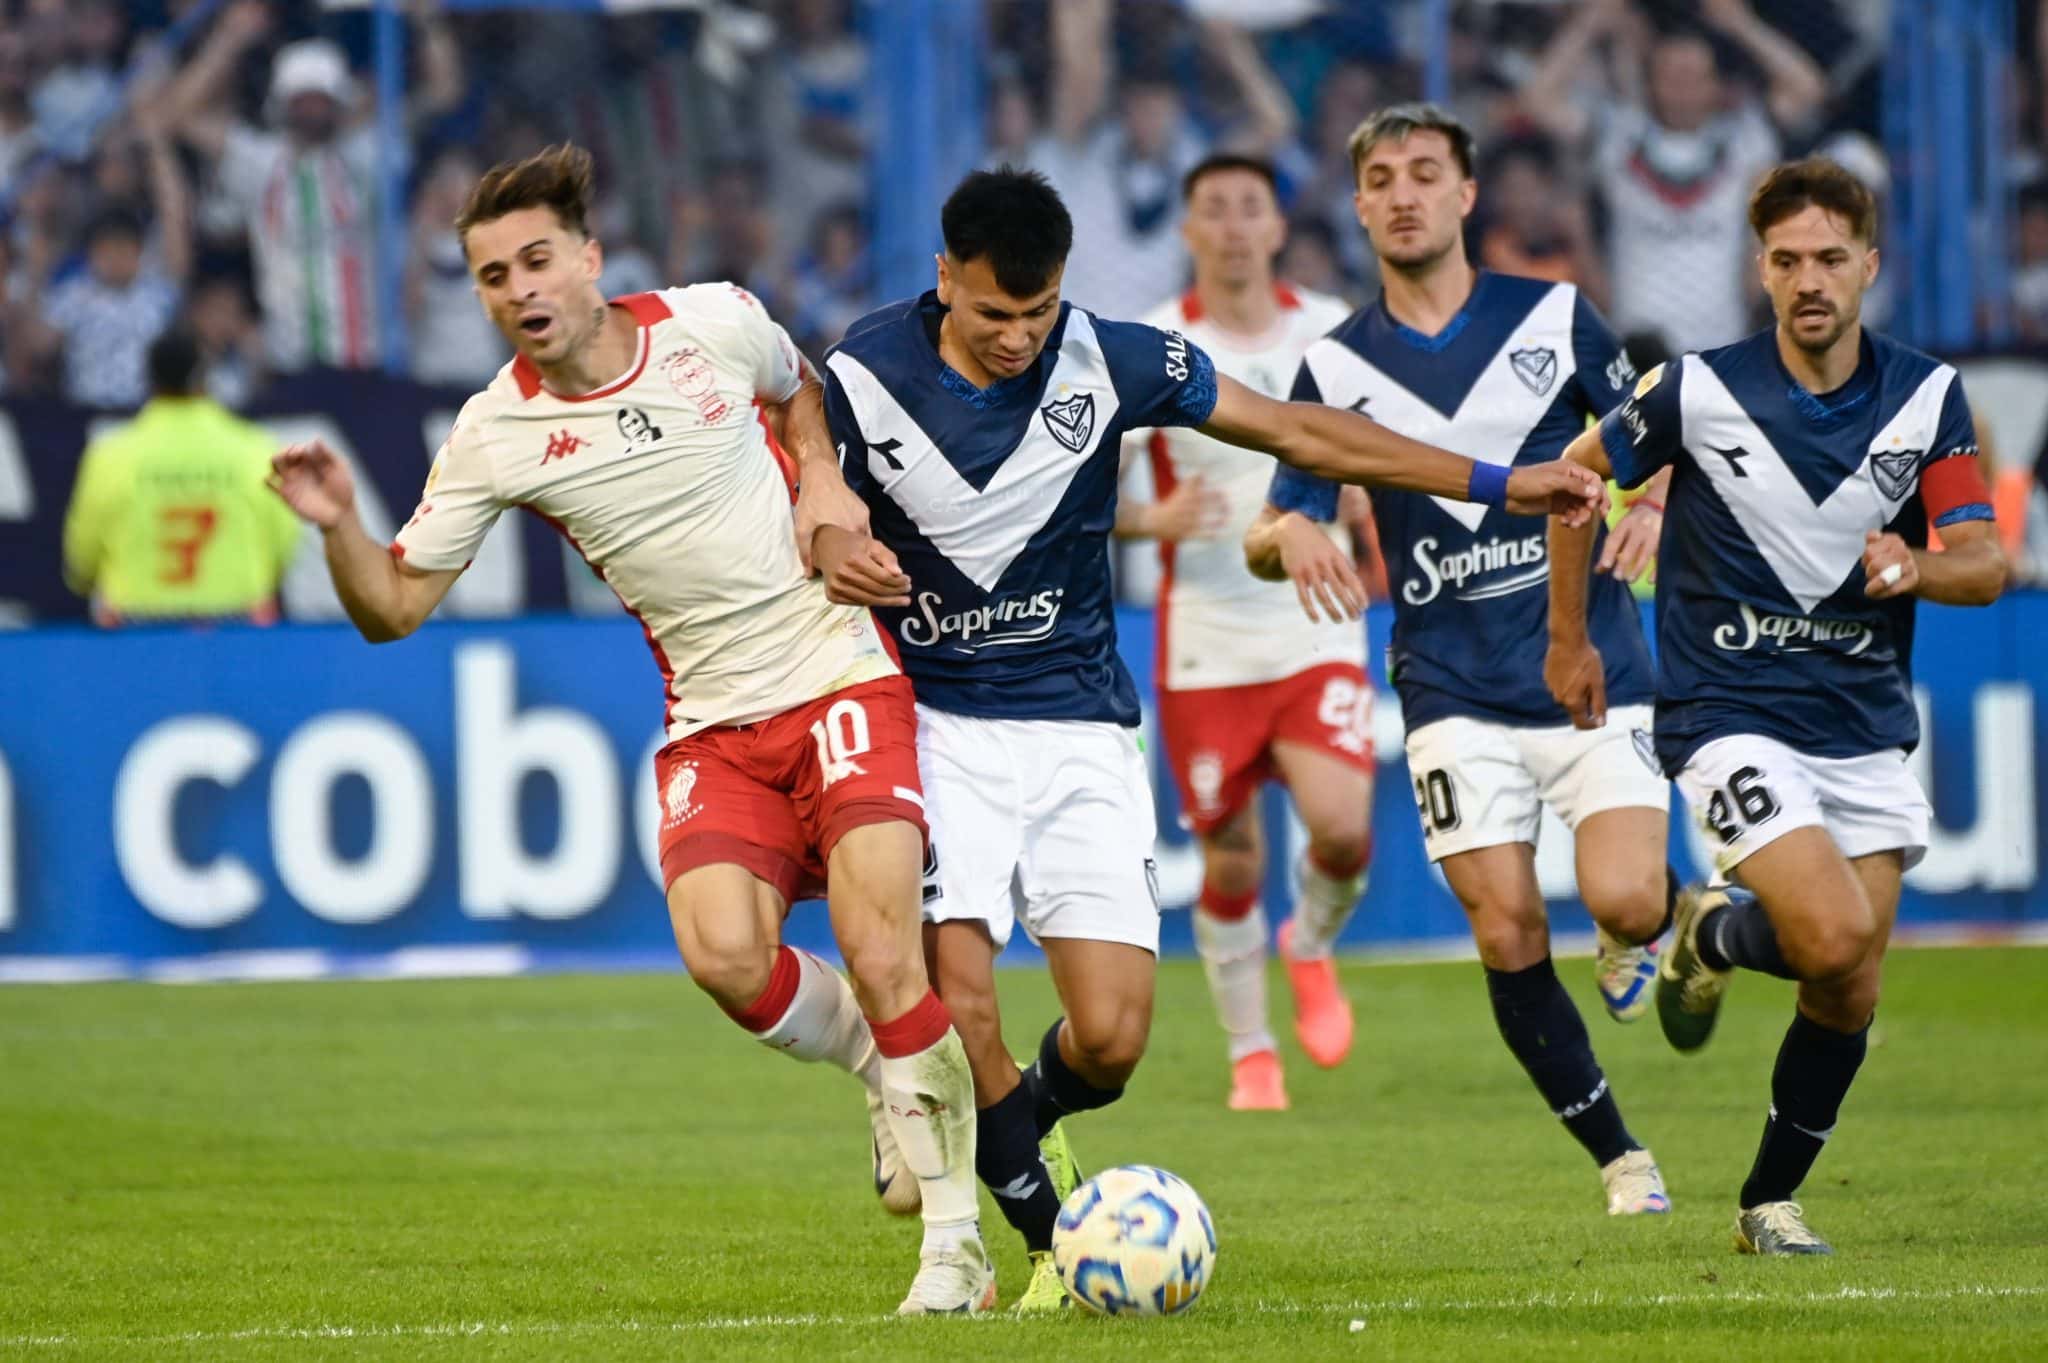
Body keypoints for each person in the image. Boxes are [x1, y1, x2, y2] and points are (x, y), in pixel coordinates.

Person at [814, 166, 1608, 1310]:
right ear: (944, 281)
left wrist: (1498, 483)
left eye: (1036, 316)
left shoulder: (1110, 357)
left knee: (1111, 1038)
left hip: (1081, 723)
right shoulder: (862, 378)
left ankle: (956, 1109)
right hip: (934, 722)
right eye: (992, 316)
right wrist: (822, 536)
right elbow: (789, 484)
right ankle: (1040, 1241)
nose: (1016, 340)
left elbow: (1297, 428)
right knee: (964, 996)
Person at [265, 145, 990, 1315]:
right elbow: (395, 606)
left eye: (538, 259)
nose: (520, 289)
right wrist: (341, 525)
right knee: (721, 958)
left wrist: (817, 480)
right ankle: (874, 1058)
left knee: (881, 942)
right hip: (711, 721)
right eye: (494, 276)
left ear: (591, 260)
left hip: (840, 674)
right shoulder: (496, 430)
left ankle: (954, 1250)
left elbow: (801, 391)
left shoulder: (714, 322)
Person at [1546, 158, 2007, 1255]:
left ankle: (1764, 1200)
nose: (1808, 279)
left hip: (1859, 721)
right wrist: (1566, 640)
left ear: (1869, 267)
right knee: (1828, 931)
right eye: (1787, 259)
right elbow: (1572, 480)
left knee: (1846, 985)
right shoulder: (1695, 389)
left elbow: (1984, 560)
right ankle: (1711, 923)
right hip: (1725, 707)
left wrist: (1915, 568)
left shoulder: (1926, 396)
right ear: (1759, 269)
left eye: (1829, 259)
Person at [1246, 105, 1678, 1218]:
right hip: (1448, 686)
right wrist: (1287, 529)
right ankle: (1620, 1159)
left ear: (1464, 194)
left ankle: (1656, 929)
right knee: (1503, 926)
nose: (1401, 193)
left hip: (1582, 664)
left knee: (1624, 899)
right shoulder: (1332, 366)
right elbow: (1270, 519)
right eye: (1379, 176)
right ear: (1355, 207)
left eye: (1423, 173)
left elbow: (1665, 432)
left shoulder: (1554, 316)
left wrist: (1659, 504)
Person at [1118, 153, 1370, 1113]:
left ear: (1277, 227)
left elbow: (1379, 448)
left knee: (1342, 831)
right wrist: (1147, 521)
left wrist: (1364, 499)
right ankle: (1251, 1053)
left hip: (1314, 622)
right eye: (1210, 209)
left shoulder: (1333, 330)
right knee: (1231, 855)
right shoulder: (1153, 341)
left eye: (1247, 209)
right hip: (1206, 638)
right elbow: (1078, 487)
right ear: (1187, 230)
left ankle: (1308, 940)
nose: (1230, 226)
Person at [1522, 0, 1826, 354]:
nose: (1683, 88)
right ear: (1651, 83)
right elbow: (1538, 100)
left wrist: (1742, 25)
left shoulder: (1745, 139)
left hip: (1721, 351)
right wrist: (1588, 25)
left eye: (1695, 77)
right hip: (1636, 350)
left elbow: (1808, 88)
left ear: (1716, 84)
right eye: (1671, 76)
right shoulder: (1618, 138)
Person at [62, 328, 300, 625]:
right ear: (204, 378)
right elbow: (283, 545)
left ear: (150, 379)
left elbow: (82, 562)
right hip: (237, 620)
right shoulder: (254, 448)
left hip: (136, 623)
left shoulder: (111, 454)